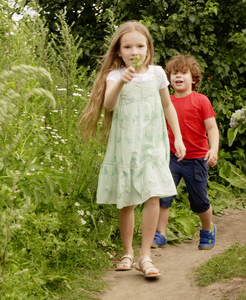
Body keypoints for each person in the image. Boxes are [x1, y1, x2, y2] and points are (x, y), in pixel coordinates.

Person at [78, 21, 186, 278]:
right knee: (127, 200)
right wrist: (122, 81)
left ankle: (145, 256)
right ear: (118, 51)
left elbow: (167, 106)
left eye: (140, 45)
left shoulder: (158, 73)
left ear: (148, 48)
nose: (134, 51)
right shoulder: (114, 76)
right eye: (128, 46)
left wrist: (178, 138)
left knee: (152, 195)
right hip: (126, 145)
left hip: (152, 144)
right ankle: (127, 252)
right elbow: (109, 106)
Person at [152, 54, 219, 250]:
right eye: (174, 73)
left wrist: (213, 150)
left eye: (183, 73)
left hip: (197, 159)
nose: (178, 77)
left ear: (194, 78)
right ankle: (160, 234)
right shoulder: (167, 101)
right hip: (172, 157)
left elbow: (212, 128)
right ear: (168, 79)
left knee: (199, 201)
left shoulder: (201, 101)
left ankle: (207, 229)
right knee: (163, 196)